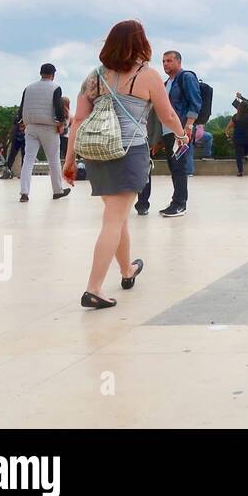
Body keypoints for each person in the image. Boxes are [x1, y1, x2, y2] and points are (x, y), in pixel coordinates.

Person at [63, 20, 187, 309]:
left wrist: (69, 158)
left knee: (116, 215)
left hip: (96, 152)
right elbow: (167, 115)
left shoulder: (94, 76)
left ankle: (127, 270)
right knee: (113, 220)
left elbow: (77, 120)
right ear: (141, 43)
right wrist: (181, 136)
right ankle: (93, 288)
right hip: (128, 152)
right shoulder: (148, 75)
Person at [16, 62, 71, 203]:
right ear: (53, 74)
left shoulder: (28, 88)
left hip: (31, 127)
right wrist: (60, 122)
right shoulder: (55, 87)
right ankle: (57, 190)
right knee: (53, 159)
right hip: (48, 128)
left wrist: (19, 122)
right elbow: (58, 107)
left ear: (40, 73)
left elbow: (22, 106)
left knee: (28, 160)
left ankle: (24, 192)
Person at [158, 50, 202, 217]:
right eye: (163, 61)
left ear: (178, 61)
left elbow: (195, 102)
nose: (165, 64)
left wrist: (188, 127)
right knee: (174, 167)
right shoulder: (167, 82)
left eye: (169, 60)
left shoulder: (186, 77)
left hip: (180, 131)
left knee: (179, 167)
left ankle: (179, 204)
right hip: (168, 132)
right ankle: (175, 202)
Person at [225, 98, 248, 176]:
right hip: (247, 137)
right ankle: (246, 154)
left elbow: (228, 127)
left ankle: (240, 171)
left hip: (237, 137)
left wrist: (227, 133)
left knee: (238, 155)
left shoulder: (236, 116)